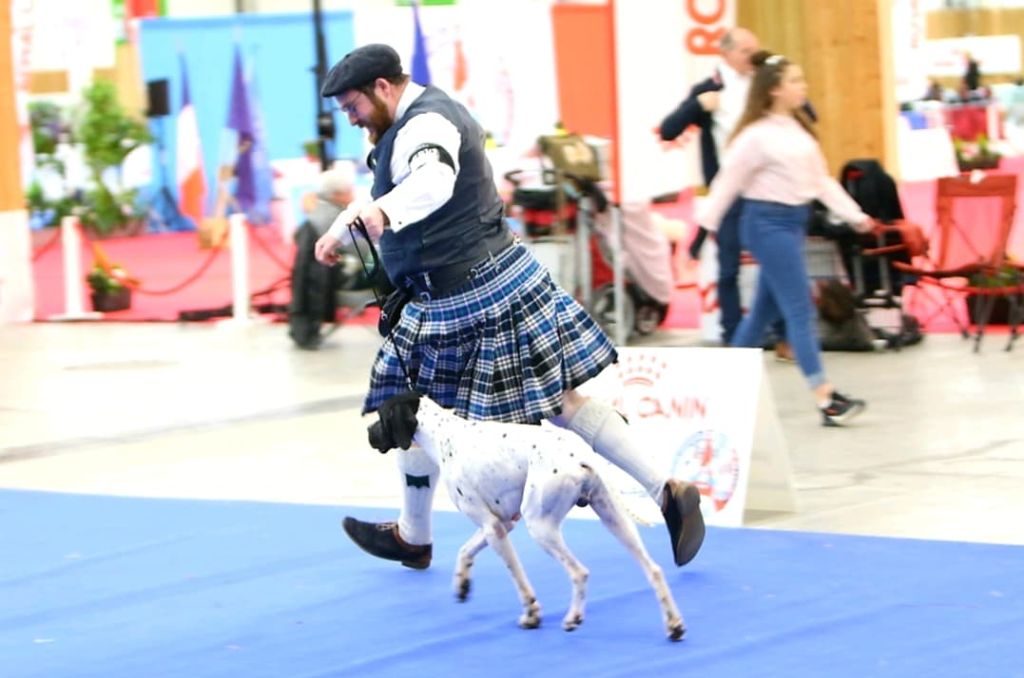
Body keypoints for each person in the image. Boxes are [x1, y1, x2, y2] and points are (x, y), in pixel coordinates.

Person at [313, 44, 705, 570]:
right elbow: (402, 189)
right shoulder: (418, 117)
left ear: (383, 88)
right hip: (496, 278)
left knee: (412, 407)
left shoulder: (425, 128)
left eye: (353, 106)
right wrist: (344, 228)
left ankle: (414, 535)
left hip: (466, 294)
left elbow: (432, 181)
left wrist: (382, 213)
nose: (351, 117)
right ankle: (667, 489)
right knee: (557, 402)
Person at [697, 51, 873, 427]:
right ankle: (825, 398)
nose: (803, 87)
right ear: (775, 89)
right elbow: (726, 183)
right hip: (766, 225)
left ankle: (717, 391)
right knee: (800, 310)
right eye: (795, 81)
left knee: (761, 314)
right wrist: (703, 230)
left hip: (792, 225)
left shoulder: (797, 129)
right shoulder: (755, 136)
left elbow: (821, 181)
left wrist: (855, 216)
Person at [658, 27, 789, 356]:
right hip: (729, 192)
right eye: (745, 50)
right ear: (726, 54)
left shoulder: (766, 84)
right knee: (728, 268)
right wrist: (698, 106)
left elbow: (806, 114)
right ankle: (735, 339)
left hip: (766, 190)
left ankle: (783, 334)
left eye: (754, 49)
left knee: (774, 264)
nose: (751, 57)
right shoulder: (710, 88)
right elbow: (668, 128)